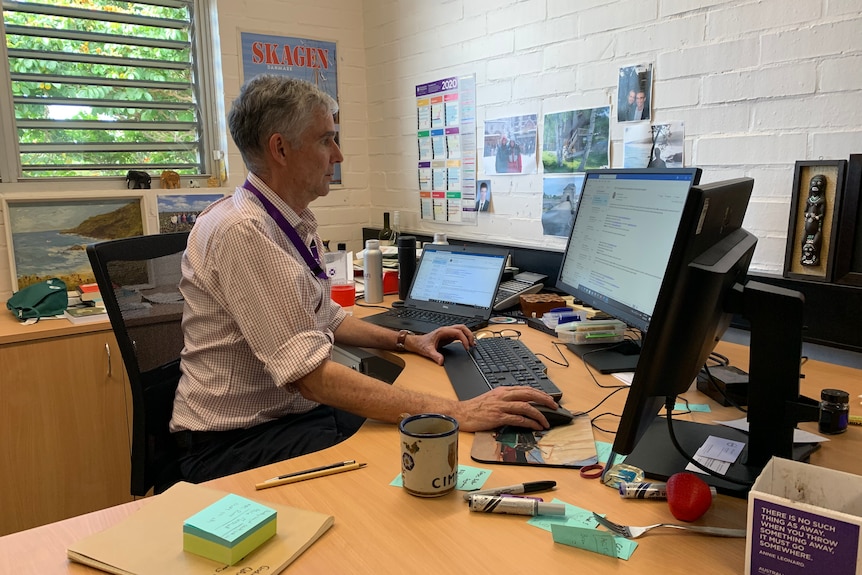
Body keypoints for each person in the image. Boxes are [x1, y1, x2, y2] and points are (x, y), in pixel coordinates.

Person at [170, 75, 558, 483]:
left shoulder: (289, 219)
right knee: (418, 458)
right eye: (325, 140)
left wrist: (409, 340)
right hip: (234, 445)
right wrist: (459, 410)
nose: (337, 155)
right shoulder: (244, 231)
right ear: (280, 148)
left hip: (285, 421)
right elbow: (313, 378)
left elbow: (327, 317)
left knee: (419, 447)